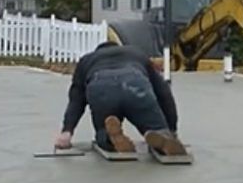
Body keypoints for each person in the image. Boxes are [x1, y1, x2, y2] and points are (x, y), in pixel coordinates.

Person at [55, 41, 186, 156]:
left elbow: (76, 100)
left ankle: (110, 140)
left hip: (101, 87)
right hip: (134, 83)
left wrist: (67, 131)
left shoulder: (87, 60)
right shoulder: (136, 53)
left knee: (104, 131)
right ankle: (161, 136)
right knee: (157, 128)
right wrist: (172, 128)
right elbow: (163, 92)